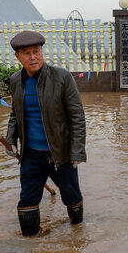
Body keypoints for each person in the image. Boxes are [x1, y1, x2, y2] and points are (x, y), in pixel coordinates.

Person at [5, 31, 86, 236]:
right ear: (18, 57)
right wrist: (11, 139)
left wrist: (77, 152)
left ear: (42, 51)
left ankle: (78, 237)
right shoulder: (15, 81)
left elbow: (77, 116)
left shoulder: (62, 77)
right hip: (30, 156)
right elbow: (15, 114)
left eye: (36, 51)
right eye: (26, 53)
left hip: (60, 155)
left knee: (72, 197)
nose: (33, 57)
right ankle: (30, 248)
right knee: (27, 202)